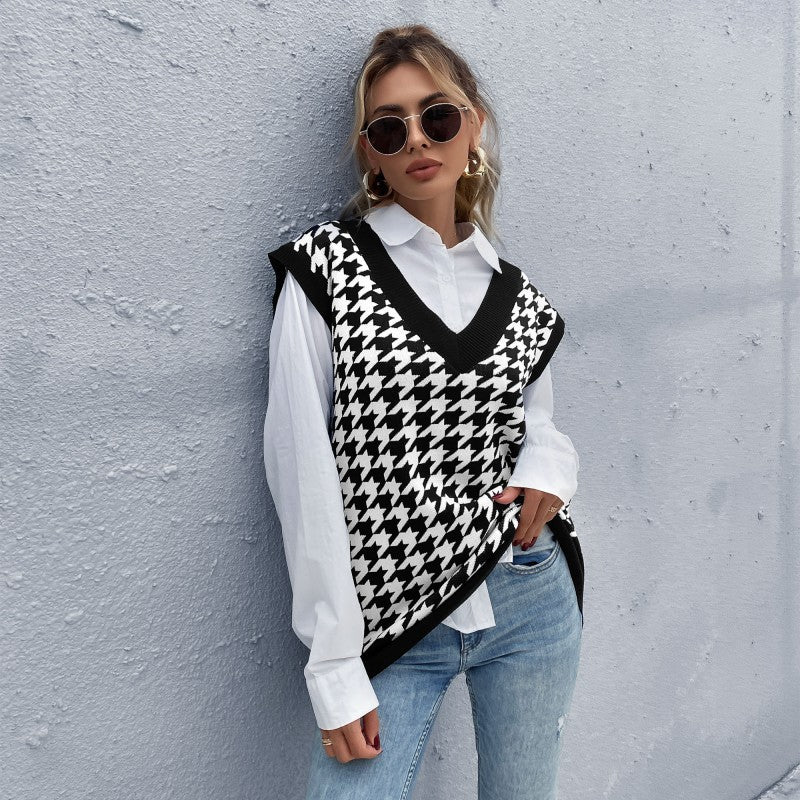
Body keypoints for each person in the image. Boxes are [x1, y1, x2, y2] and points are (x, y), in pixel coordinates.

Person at [263, 23, 584, 800]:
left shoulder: (518, 294)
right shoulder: (327, 272)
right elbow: (301, 470)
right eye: (389, 127)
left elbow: (536, 421)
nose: (416, 138)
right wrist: (333, 664)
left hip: (529, 594)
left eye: (437, 115)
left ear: (473, 126)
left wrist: (550, 466)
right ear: (370, 153)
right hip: (390, 624)